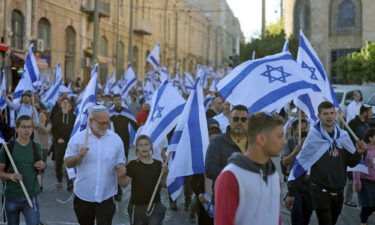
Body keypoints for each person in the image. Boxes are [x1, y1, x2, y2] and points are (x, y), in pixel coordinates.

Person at [287, 101, 366, 225]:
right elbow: (301, 165)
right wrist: (291, 192)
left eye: (331, 113)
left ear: (336, 115)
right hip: (320, 190)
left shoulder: (343, 136)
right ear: (319, 116)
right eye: (325, 114)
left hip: (339, 190)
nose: (329, 116)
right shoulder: (313, 137)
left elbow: (351, 163)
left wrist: (358, 153)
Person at [214, 112, 285, 225]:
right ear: (261, 139)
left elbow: (276, 218)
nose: (284, 142)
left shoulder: (274, 174)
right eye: (280, 136)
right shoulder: (230, 176)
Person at [64, 105, 127, 225]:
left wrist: (121, 167)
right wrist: (79, 156)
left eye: (107, 123)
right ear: (91, 121)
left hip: (107, 195)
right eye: (101, 123)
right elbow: (67, 163)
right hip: (83, 195)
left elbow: (121, 160)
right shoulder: (78, 139)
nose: (105, 126)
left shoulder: (116, 139)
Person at [0, 115, 46, 225]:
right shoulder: (7, 147)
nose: (27, 130)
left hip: (31, 197)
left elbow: (39, 167)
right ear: (16, 128)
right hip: (12, 197)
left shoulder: (37, 146)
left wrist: (42, 165)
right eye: (23, 127)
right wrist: (11, 176)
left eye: (29, 127)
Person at [124, 135, 167, 225]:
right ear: (137, 149)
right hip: (137, 207)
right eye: (141, 145)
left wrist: (165, 172)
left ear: (151, 146)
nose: (144, 147)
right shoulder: (132, 165)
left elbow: (164, 184)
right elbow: (124, 184)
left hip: (155, 205)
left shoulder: (158, 164)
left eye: (146, 144)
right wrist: (120, 176)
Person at [205, 104, 249, 183]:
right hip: (225, 190)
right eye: (235, 119)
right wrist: (234, 173)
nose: (239, 122)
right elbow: (210, 170)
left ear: (247, 122)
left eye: (243, 119)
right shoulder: (217, 141)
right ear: (229, 120)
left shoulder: (255, 142)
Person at [282, 119, 313, 225]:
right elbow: (285, 162)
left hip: (310, 184)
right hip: (295, 184)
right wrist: (296, 151)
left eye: (305, 129)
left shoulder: (312, 141)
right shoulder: (289, 142)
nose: (302, 131)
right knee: (297, 215)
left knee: (307, 213)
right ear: (294, 130)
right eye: (299, 129)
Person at [345, 104, 373, 207]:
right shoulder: (352, 123)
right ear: (365, 112)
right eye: (370, 112)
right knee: (351, 178)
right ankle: (347, 199)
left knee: (362, 176)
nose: (371, 114)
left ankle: (364, 199)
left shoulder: (366, 124)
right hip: (354, 153)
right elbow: (346, 138)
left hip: (364, 153)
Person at [52, 98, 76, 189]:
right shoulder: (57, 116)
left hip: (70, 143)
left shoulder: (73, 116)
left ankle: (70, 182)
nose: (65, 104)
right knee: (59, 161)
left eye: (67, 103)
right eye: (63, 103)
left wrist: (72, 140)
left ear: (70, 105)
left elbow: (75, 129)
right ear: (61, 105)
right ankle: (59, 179)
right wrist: (57, 138)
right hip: (59, 142)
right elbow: (53, 129)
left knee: (69, 162)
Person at [354, 128, 375, 225]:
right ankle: (363, 220)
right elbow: (357, 167)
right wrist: (357, 183)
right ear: (370, 138)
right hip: (365, 181)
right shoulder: (364, 149)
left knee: (373, 205)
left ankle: (364, 217)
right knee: (367, 205)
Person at [109, 94, 138, 159]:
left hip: (125, 138)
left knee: (125, 156)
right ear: (113, 102)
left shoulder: (127, 112)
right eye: (115, 100)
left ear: (121, 101)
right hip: (114, 138)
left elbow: (135, 125)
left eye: (119, 100)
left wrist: (139, 135)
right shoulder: (110, 112)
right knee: (115, 156)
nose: (118, 101)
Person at [33, 109, 52, 191]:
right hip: (36, 148)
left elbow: (45, 130)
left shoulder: (49, 125)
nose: (40, 117)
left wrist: (38, 125)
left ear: (46, 117)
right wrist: (32, 116)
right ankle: (38, 184)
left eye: (42, 116)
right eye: (39, 116)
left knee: (42, 167)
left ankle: (41, 183)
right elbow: (31, 123)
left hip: (44, 148)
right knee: (36, 167)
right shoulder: (36, 124)